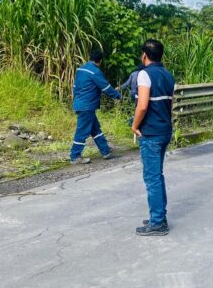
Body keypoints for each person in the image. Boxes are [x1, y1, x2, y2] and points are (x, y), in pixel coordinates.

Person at [132, 39, 175, 236]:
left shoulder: (144, 74)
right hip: (165, 129)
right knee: (157, 175)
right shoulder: (167, 75)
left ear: (144, 55)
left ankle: (157, 222)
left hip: (151, 132)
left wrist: (134, 125)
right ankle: (159, 216)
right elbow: (169, 104)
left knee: (152, 177)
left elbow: (142, 105)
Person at [70, 49, 122, 164]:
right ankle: (75, 156)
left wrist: (76, 101)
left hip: (80, 104)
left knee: (95, 129)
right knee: (82, 132)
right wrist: (118, 96)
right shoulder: (95, 72)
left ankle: (105, 151)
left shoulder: (80, 69)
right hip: (87, 106)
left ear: (90, 57)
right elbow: (106, 88)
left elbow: (75, 86)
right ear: (100, 60)